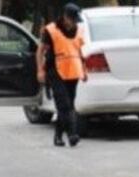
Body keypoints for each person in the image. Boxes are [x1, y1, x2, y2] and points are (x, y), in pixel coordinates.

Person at [37, 3, 88, 147]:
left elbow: (80, 52)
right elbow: (40, 51)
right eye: (73, 20)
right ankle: (72, 134)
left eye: (76, 20)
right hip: (55, 71)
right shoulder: (51, 30)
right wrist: (40, 70)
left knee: (68, 105)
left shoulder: (78, 30)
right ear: (65, 17)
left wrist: (84, 70)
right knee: (64, 104)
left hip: (73, 72)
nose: (74, 23)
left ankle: (58, 136)